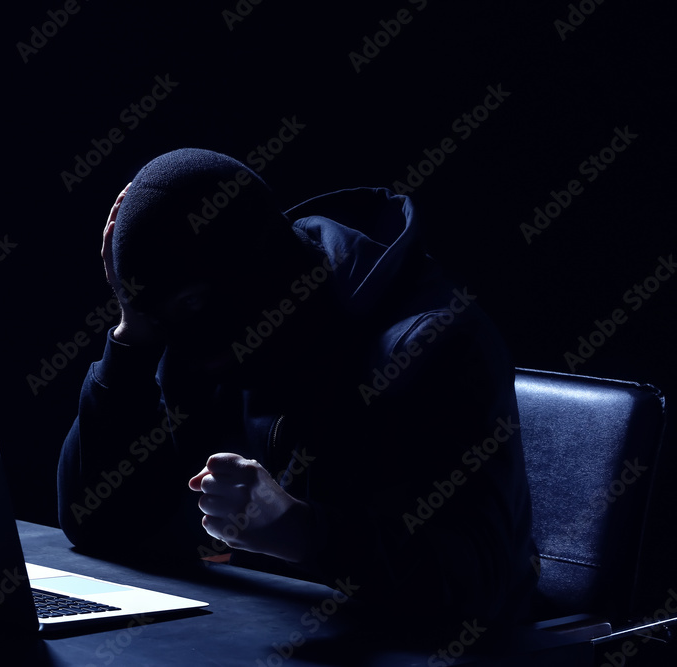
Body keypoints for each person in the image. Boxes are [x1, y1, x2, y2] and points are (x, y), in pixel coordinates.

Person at [56, 148, 538, 634]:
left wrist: (300, 531)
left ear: (250, 277)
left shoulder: (433, 345)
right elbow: (97, 521)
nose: (181, 346)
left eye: (187, 306)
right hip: (256, 637)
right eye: (157, 314)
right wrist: (132, 335)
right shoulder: (200, 330)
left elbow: (485, 586)